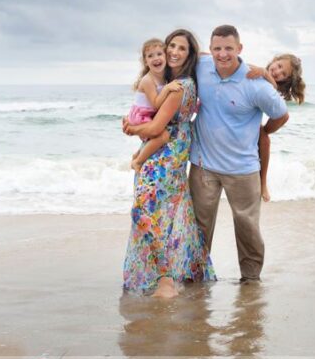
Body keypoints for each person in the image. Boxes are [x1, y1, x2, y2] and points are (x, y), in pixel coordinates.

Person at [189, 24, 290, 283]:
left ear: (240, 49)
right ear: (210, 49)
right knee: (199, 225)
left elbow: (281, 114)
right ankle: (197, 276)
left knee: (247, 228)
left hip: (243, 169)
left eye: (229, 49)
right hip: (203, 165)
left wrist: (264, 131)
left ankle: (251, 280)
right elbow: (184, 57)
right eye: (217, 49)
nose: (222, 54)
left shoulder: (256, 84)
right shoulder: (202, 66)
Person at [121, 29, 216, 298]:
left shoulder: (179, 87)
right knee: (172, 209)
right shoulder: (175, 82)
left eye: (181, 49)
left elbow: (157, 128)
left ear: (189, 55)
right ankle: (185, 271)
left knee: (144, 208)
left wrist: (133, 129)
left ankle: (164, 278)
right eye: (171, 46)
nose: (174, 52)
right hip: (174, 147)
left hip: (166, 150)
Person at [128, 38, 184, 171]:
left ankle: (137, 154)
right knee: (163, 135)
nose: (156, 58)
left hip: (148, 113)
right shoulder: (148, 80)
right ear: (145, 61)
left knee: (156, 135)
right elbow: (156, 104)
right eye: (150, 56)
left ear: (166, 56)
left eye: (159, 54)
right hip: (140, 115)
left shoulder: (164, 75)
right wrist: (167, 88)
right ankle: (138, 161)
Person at [258, 53, 305, 202]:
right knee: (263, 136)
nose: (277, 72)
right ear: (274, 60)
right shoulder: (260, 73)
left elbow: (283, 116)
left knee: (264, 139)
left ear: (286, 80)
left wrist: (265, 131)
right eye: (278, 66)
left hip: (252, 122)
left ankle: (263, 182)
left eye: (283, 73)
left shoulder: (271, 85)